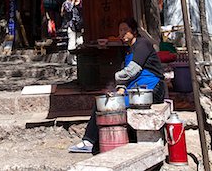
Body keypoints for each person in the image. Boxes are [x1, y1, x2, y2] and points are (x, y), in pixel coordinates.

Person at [69, 17, 165, 153]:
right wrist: (120, 89)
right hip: (135, 90)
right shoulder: (127, 51)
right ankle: (95, 141)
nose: (122, 33)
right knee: (104, 103)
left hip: (152, 89)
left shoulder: (143, 44)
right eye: (120, 30)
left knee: (110, 105)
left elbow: (132, 70)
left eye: (125, 30)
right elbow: (124, 80)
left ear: (134, 31)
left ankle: (89, 141)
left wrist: (116, 78)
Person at [61, 0, 83, 65]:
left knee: (80, 42)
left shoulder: (77, 3)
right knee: (72, 43)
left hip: (78, 25)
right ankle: (70, 59)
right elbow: (69, 10)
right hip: (71, 25)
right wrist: (72, 1)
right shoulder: (66, 3)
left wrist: (77, 0)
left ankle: (77, 58)